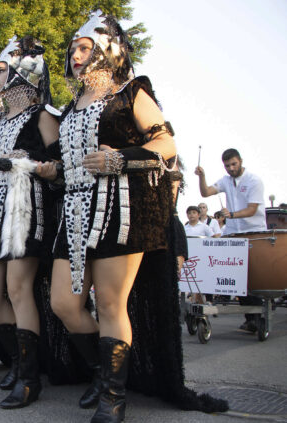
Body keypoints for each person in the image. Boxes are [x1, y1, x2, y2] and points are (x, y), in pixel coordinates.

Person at [41, 10, 227, 422]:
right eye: (73, 48)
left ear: (108, 50)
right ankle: (102, 372)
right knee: (63, 304)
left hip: (120, 210)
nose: (76, 55)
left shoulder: (131, 93)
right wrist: (49, 168)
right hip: (72, 214)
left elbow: (165, 143)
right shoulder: (71, 106)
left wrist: (119, 158)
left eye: (85, 47)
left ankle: (112, 395)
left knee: (109, 303)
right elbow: (67, 159)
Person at [0, 36, 59, 409]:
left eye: (0, 70)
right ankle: (18, 359)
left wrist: (31, 159)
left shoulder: (43, 115)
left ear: (22, 73)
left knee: (18, 288)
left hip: (26, 208)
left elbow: (58, 164)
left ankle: (28, 377)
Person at [195, 147, 267, 332]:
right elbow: (205, 192)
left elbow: (252, 209)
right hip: (234, 234)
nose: (231, 169)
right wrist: (201, 177)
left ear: (240, 161)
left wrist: (231, 214)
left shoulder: (254, 181)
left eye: (233, 164)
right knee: (237, 278)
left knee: (252, 276)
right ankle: (251, 318)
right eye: (227, 166)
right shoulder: (226, 181)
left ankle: (258, 317)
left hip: (253, 232)